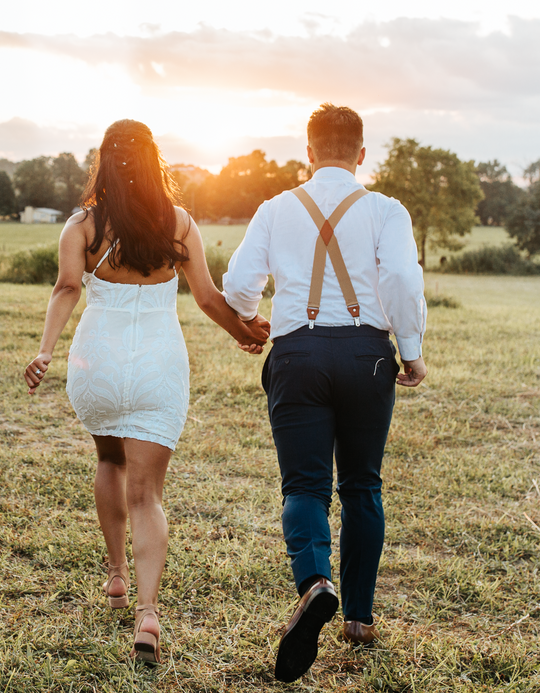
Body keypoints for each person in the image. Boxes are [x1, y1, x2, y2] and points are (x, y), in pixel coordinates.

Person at [24, 119, 268, 665]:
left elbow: (66, 288)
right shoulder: (178, 224)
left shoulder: (81, 227)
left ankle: (115, 578)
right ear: (154, 160)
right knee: (148, 494)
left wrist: (45, 351)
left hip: (98, 363)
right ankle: (148, 614)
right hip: (159, 364)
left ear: (104, 162)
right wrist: (245, 332)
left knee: (108, 460)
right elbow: (206, 297)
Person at [222, 103, 428, 683]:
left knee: (305, 485)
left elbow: (239, 283)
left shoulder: (274, 208)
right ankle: (359, 617)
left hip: (298, 355)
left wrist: (251, 320)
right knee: (363, 483)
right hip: (367, 355)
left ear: (308, 152)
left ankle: (314, 583)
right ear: (362, 154)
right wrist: (409, 349)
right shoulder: (387, 211)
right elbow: (403, 279)